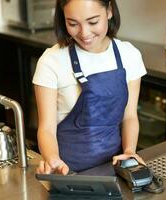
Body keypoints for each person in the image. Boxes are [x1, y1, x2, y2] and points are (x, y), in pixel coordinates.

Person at [32, 0, 146, 174]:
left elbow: (129, 117)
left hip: (113, 170)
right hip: (67, 171)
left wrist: (129, 151)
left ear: (109, 11)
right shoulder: (51, 61)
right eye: (73, 24)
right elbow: (47, 128)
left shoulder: (129, 55)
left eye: (93, 22)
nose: (84, 33)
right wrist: (52, 159)